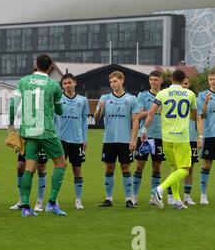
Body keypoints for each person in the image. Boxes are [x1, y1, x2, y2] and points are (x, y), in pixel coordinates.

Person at [10, 54, 67, 217]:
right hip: (46, 131)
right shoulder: (54, 85)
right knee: (60, 164)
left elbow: (13, 104)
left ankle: (26, 207)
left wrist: (11, 125)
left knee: (29, 168)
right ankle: (51, 203)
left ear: (36, 64)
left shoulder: (23, 81)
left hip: (28, 131)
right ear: (50, 67)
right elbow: (59, 111)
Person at [142, 69, 197, 209]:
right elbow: (194, 115)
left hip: (166, 137)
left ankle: (177, 200)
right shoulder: (190, 94)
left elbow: (151, 112)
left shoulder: (162, 93)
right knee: (184, 169)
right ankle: (159, 189)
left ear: (171, 79)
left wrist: (145, 130)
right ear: (183, 79)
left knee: (174, 167)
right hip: (182, 138)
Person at [94, 71, 139, 208]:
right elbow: (96, 118)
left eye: (115, 81)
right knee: (109, 167)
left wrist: (133, 140)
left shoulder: (131, 99)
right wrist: (99, 109)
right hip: (109, 140)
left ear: (122, 81)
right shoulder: (105, 98)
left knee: (125, 167)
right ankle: (108, 198)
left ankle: (128, 199)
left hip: (125, 140)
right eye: (111, 82)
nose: (113, 84)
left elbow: (135, 121)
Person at [54, 73, 89, 210]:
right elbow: (53, 118)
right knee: (60, 169)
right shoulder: (58, 99)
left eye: (69, 83)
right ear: (62, 86)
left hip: (77, 140)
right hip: (60, 140)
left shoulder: (82, 100)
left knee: (77, 169)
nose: (67, 86)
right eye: (65, 84)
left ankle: (78, 200)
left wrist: (84, 139)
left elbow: (85, 120)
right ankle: (54, 199)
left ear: (75, 83)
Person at [166, 76, 202, 205]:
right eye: (183, 83)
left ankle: (187, 196)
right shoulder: (171, 97)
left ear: (189, 84)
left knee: (190, 168)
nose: (184, 86)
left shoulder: (193, 98)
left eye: (186, 83)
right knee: (175, 167)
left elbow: (198, 117)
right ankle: (170, 195)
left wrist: (200, 135)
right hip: (176, 138)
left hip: (190, 138)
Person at [132, 71, 165, 206]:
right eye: (151, 79)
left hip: (160, 136)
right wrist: (152, 110)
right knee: (139, 166)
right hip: (145, 136)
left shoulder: (165, 95)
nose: (152, 82)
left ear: (161, 80)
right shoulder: (143, 95)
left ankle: (153, 196)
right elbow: (138, 115)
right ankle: (134, 196)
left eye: (155, 79)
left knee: (156, 167)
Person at [197, 68, 215, 204]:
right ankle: (203, 195)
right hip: (210, 135)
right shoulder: (203, 95)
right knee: (207, 164)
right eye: (211, 79)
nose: (213, 82)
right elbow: (201, 116)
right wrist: (205, 103)